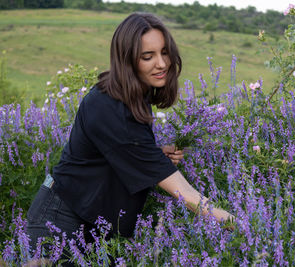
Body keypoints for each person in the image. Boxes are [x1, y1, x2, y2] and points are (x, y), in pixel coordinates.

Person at [26, 13, 233, 252]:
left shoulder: (130, 94)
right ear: (127, 60)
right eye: (148, 56)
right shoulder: (108, 105)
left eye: (164, 52)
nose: (162, 64)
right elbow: (184, 193)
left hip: (94, 223)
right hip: (61, 221)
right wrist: (240, 225)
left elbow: (117, 148)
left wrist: (150, 152)